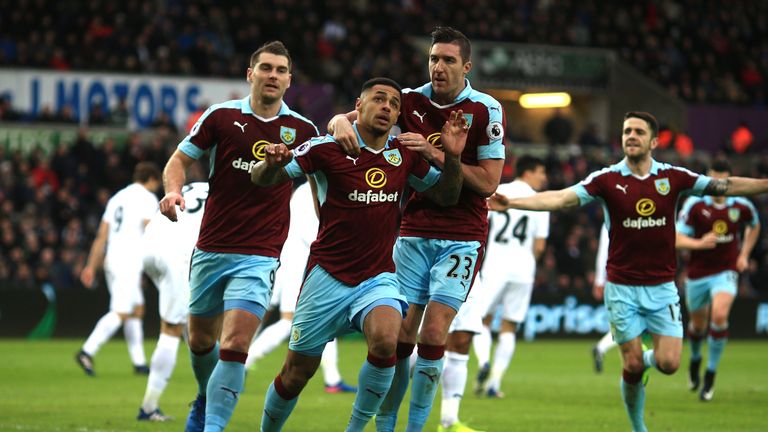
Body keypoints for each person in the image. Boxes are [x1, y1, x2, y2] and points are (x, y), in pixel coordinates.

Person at [489, 111, 768, 432]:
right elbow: (561, 199)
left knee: (668, 363)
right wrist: (512, 203)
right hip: (621, 287)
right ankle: (639, 428)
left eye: (638, 131)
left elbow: (725, 186)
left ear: (653, 141)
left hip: (662, 287)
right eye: (626, 131)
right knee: (632, 364)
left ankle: (650, 363)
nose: (631, 136)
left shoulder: (673, 177)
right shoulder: (606, 179)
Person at [252, 77, 467, 432]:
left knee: (387, 341)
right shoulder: (325, 148)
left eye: (394, 104)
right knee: (295, 374)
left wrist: (453, 157)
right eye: (378, 99)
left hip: (378, 276)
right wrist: (271, 163)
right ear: (359, 105)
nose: (387, 107)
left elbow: (447, 195)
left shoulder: (404, 155)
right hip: (326, 277)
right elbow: (263, 179)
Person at [329, 26, 505, 432]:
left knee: (434, 332)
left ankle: (416, 427)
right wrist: (340, 119)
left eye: (447, 60)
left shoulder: (486, 110)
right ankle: (386, 424)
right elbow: (352, 118)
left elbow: (488, 184)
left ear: (467, 66)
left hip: (463, 234)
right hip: (413, 228)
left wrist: (434, 152)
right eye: (433, 59)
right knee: (399, 338)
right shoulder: (409, 100)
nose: (438, 67)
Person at [159, 41, 319, 432]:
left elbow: (320, 183)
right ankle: (205, 395)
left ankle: (212, 426)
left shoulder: (302, 130)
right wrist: (172, 190)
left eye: (281, 70)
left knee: (235, 346)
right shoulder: (221, 117)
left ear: (289, 79)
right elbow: (178, 161)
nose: (273, 76)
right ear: (251, 74)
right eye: (266, 68)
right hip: (212, 247)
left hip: (260, 254)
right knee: (199, 341)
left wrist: (327, 223)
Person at [245, 181, 356, 394]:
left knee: (326, 319)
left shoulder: (306, 188)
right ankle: (243, 364)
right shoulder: (315, 189)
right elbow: (313, 232)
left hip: (300, 258)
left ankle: (333, 380)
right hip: (301, 261)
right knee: (289, 320)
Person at [676, 159, 760, 402]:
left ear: (729, 181)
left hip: (726, 272)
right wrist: (699, 243)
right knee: (698, 326)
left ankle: (711, 373)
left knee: (720, 317)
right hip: (697, 275)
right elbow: (677, 238)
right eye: (714, 181)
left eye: (722, 182)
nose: (718, 186)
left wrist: (743, 254)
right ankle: (694, 359)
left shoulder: (740, 206)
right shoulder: (694, 204)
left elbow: (754, 226)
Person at [472, 155, 549, 400]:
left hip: (495, 266)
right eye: (540, 172)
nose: (543, 177)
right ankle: (494, 383)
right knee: (510, 326)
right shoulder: (540, 201)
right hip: (523, 270)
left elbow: (481, 223)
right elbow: (539, 247)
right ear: (528, 172)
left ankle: (483, 361)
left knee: (481, 320)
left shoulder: (498, 191)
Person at [76, 162, 162, 376]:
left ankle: (140, 363)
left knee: (136, 309)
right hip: (128, 261)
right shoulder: (147, 198)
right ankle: (87, 350)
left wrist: (91, 266)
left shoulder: (117, 198)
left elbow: (101, 236)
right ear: (151, 179)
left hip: (111, 259)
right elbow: (151, 229)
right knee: (121, 311)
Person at [137, 181, 208, 421]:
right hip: (176, 252)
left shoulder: (194, 185)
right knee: (171, 329)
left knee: (189, 323)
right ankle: (148, 407)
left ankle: (206, 395)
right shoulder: (225, 193)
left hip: (149, 246)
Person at [591, 224, 617, 373]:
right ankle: (601, 347)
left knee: (622, 326)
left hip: (615, 279)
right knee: (625, 327)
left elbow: (602, 252)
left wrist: (599, 280)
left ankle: (601, 347)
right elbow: (603, 252)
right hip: (618, 280)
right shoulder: (610, 220)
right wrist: (599, 280)